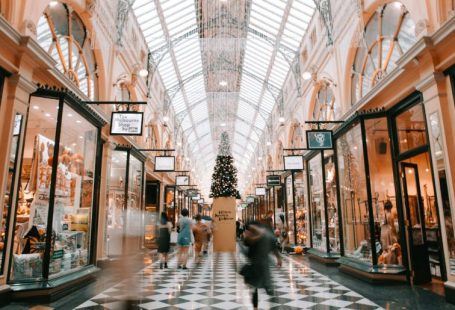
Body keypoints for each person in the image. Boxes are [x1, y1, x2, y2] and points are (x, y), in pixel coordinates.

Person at [241, 222, 282, 310]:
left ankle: (255, 308)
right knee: (268, 287)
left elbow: (247, 252)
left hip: (255, 266)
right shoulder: (266, 237)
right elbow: (273, 248)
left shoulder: (250, 238)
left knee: (255, 289)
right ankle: (273, 306)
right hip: (263, 266)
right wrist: (279, 258)